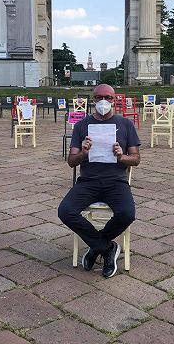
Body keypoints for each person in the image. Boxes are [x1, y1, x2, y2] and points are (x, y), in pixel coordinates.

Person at [58, 84, 140, 278]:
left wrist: (121, 157)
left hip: (116, 181)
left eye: (109, 98)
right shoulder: (81, 125)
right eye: (99, 97)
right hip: (88, 181)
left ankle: (96, 247)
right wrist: (84, 154)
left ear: (114, 100)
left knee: (127, 213)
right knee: (65, 211)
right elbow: (71, 161)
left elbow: (136, 159)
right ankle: (107, 247)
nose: (104, 101)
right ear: (93, 99)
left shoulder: (126, 124)